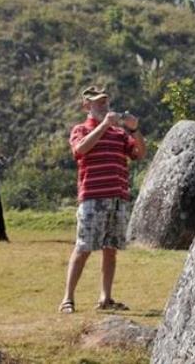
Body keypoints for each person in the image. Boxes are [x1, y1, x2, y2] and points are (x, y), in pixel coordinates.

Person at [58, 86, 146, 314]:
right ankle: (68, 298)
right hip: (92, 198)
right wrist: (105, 125)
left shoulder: (119, 134)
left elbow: (139, 154)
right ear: (86, 106)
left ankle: (105, 298)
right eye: (98, 102)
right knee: (83, 248)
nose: (103, 105)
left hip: (118, 198)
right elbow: (80, 149)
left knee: (111, 249)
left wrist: (135, 130)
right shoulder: (80, 129)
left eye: (105, 102)